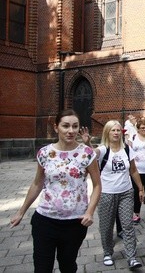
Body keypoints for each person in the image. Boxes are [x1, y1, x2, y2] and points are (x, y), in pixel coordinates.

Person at [10, 109, 101, 273]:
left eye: (75, 126)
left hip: (75, 223)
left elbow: (97, 185)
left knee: (68, 266)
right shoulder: (45, 153)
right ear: (56, 127)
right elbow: (37, 183)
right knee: (42, 268)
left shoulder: (87, 154)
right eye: (65, 126)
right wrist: (21, 212)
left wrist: (90, 212)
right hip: (45, 220)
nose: (71, 131)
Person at [87, 120, 144, 269]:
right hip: (106, 193)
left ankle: (132, 257)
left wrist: (140, 188)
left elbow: (133, 170)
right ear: (107, 132)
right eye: (113, 130)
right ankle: (107, 252)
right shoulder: (103, 150)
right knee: (106, 226)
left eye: (118, 130)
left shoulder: (127, 149)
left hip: (126, 192)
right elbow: (91, 155)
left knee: (128, 225)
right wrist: (87, 143)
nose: (116, 133)